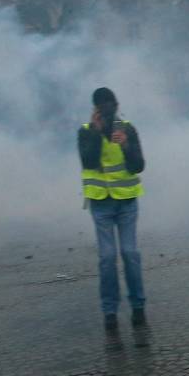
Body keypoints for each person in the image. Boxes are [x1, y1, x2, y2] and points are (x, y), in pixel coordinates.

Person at [78, 87, 147, 332]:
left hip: (127, 201)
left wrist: (127, 145)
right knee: (107, 257)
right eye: (102, 106)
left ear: (116, 105)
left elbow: (139, 166)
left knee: (129, 253)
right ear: (95, 109)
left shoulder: (127, 129)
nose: (108, 110)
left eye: (111, 105)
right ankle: (110, 312)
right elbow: (88, 161)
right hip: (101, 204)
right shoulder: (86, 132)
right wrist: (97, 134)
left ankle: (138, 307)